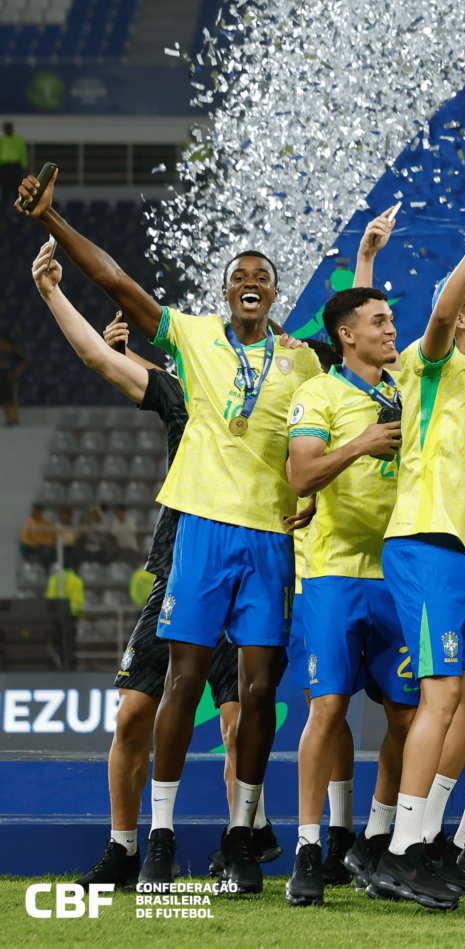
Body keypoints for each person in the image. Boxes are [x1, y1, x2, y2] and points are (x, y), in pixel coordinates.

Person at [17, 171, 320, 894]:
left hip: (267, 543)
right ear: (222, 293)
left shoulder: (301, 360)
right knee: (153, 701)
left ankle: (244, 835)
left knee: (251, 703)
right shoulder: (189, 362)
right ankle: (144, 840)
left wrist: (315, 489)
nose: (250, 282)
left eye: (262, 275)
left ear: (277, 292)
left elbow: (328, 417)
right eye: (238, 275)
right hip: (195, 541)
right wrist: (53, 226)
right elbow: (114, 295)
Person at [30, 242, 243, 893]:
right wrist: (51, 292)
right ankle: (125, 848)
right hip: (180, 573)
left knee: (240, 723)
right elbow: (99, 358)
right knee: (130, 716)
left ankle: (238, 846)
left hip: (249, 576)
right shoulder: (184, 398)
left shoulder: (280, 398)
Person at [363, 191, 465, 909]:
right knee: (441, 695)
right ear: (463, 320)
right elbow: (437, 316)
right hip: (426, 541)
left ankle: (425, 837)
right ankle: (400, 851)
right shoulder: (429, 363)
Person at [280, 284, 419, 907]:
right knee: (329, 708)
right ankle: (309, 849)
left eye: (391, 320)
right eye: (379, 321)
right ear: (347, 335)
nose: (391, 330)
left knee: (409, 718)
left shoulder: (408, 387)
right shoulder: (319, 394)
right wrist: (361, 443)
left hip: (399, 573)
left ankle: (379, 839)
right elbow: (301, 475)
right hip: (334, 572)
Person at [0, 334, 26, 427]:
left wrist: (15, 373)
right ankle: (9, 420)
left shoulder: (12, 354)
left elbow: (24, 362)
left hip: (9, 381)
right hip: (1, 381)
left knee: (11, 401)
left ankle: (14, 420)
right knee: (5, 402)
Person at [0, 121, 26, 204]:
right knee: (5, 190)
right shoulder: (3, 140)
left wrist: (24, 166)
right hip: (4, 167)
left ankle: (20, 207)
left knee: (16, 189)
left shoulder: (18, 140)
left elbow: (23, 153)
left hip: (15, 166)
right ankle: (4, 208)